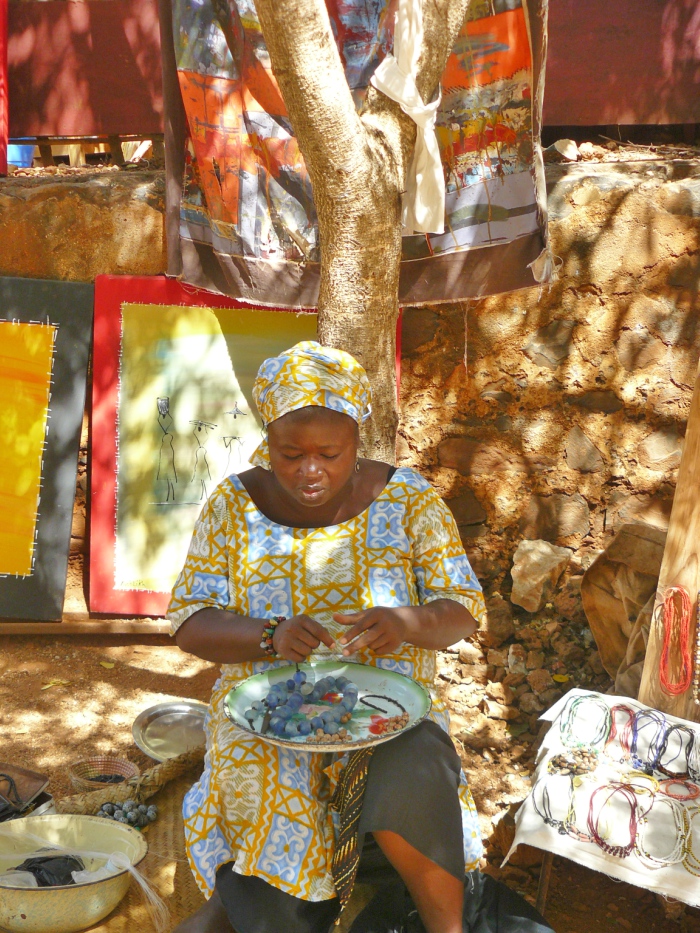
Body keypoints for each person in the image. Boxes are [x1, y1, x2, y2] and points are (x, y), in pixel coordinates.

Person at [168, 342, 486, 933]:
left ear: (357, 443)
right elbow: (189, 619)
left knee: (414, 765)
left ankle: (449, 927)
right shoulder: (233, 507)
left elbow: (463, 610)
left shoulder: (409, 500)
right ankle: (265, 913)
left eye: (329, 454)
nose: (309, 469)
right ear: (268, 442)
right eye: (290, 454)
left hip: (391, 706)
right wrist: (267, 635)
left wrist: (405, 622)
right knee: (265, 774)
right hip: (260, 711)